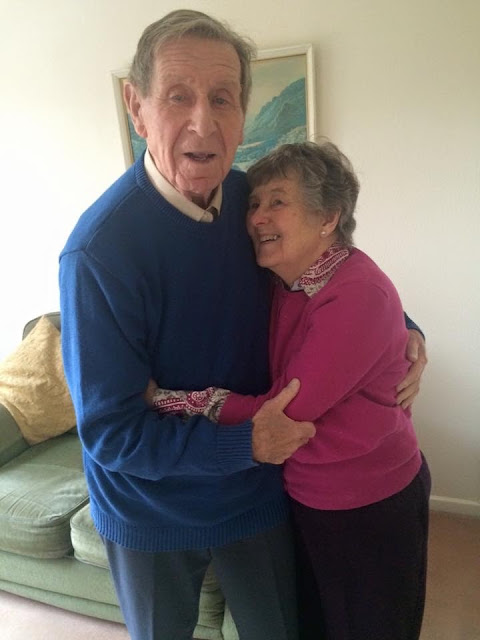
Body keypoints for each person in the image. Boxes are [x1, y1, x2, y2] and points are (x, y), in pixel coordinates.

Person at [59, 9, 426, 640]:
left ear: (242, 114)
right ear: (136, 107)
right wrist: (244, 444)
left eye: (222, 98)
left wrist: (405, 328)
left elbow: (329, 271)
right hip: (151, 513)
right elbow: (110, 433)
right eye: (178, 95)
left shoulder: (250, 203)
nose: (203, 122)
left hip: (256, 495)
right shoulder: (98, 253)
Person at [148, 141, 431, 640]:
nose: (257, 217)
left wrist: (169, 400)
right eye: (255, 203)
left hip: (368, 502)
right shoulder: (287, 280)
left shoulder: (354, 293)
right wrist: (410, 329)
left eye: (278, 201)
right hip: (310, 495)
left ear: (328, 218)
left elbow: (284, 413)